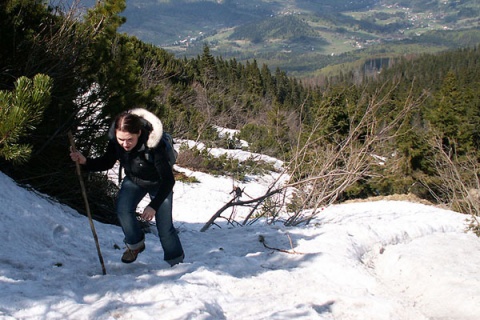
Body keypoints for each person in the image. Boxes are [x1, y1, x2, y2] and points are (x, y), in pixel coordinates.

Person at [70, 108, 184, 266]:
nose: (125, 144)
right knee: (123, 210)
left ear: (138, 133)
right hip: (134, 180)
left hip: (159, 184)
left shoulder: (154, 146)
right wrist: (85, 162)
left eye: (129, 139)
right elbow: (107, 162)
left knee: (164, 228)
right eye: (120, 139)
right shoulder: (116, 142)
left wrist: (153, 206)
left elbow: (168, 180)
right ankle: (135, 245)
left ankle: (177, 263)